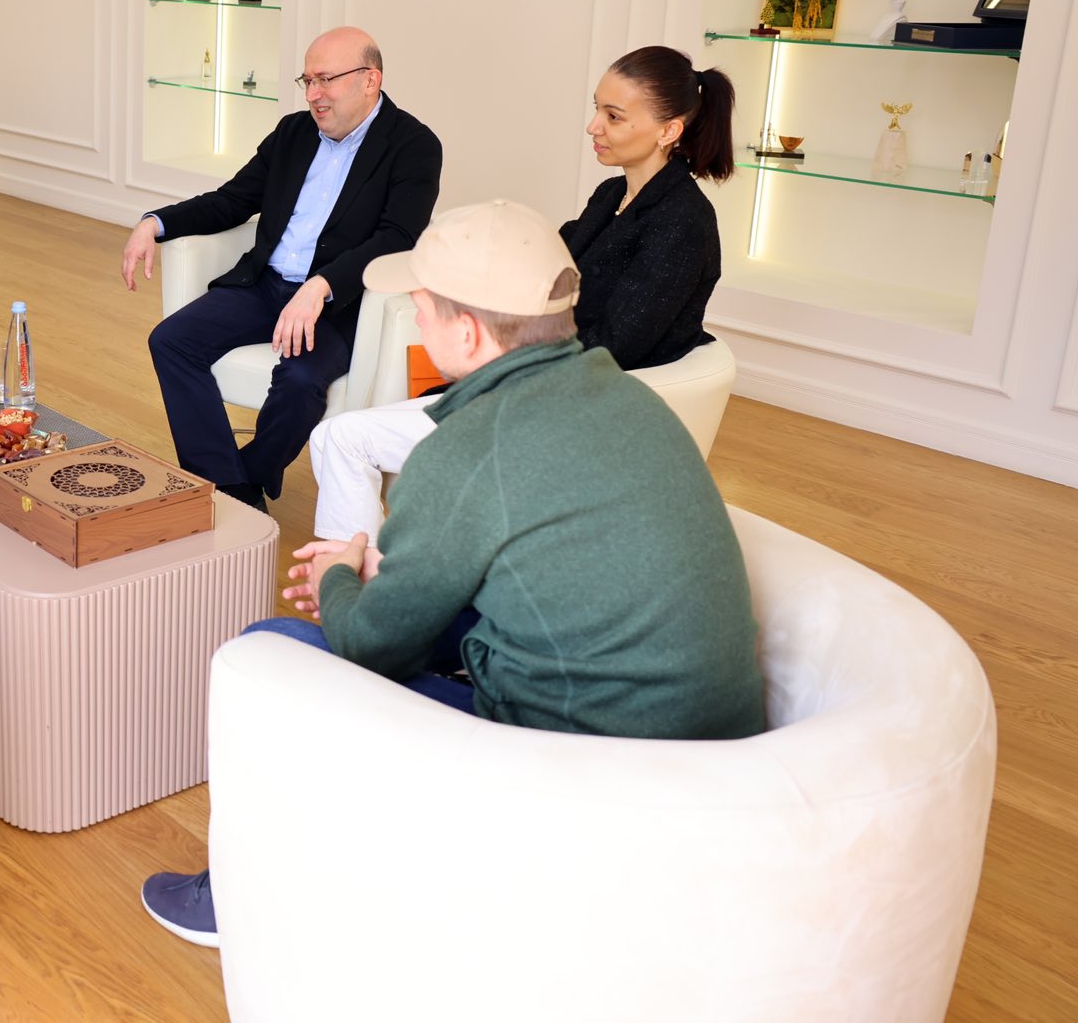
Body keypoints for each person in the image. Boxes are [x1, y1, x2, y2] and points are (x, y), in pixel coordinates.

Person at [140, 199, 766, 947]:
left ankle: (243, 898)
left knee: (265, 651)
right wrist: (388, 577)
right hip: (708, 759)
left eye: (423, 308)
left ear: (468, 333)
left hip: (586, 773)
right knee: (412, 605)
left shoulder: (465, 448)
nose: (415, 319)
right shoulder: (631, 400)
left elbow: (372, 644)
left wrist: (341, 576)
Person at [308, 44, 735, 542]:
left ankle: (362, 576)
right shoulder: (613, 196)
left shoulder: (682, 222)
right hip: (543, 388)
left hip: (577, 411)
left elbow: (618, 345)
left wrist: (498, 362)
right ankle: (375, 571)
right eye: (596, 109)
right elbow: (548, 266)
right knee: (340, 437)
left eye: (613, 116)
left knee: (341, 438)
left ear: (669, 130)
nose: (593, 127)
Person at [124, 27, 441, 511]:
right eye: (307, 80)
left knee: (300, 382)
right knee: (171, 340)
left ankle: (245, 479)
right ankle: (232, 489)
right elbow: (232, 200)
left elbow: (398, 237)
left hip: (337, 305)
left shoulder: (413, 145)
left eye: (325, 80)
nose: (313, 94)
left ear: (369, 79)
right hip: (265, 285)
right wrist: (156, 222)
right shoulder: (293, 132)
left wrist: (322, 285)